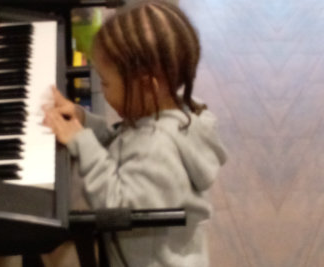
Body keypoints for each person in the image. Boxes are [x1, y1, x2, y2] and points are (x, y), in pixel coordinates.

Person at [43, 1, 227, 266]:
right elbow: (122, 143)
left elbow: (116, 205)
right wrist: (83, 120)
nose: (103, 91)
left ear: (145, 86)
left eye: (105, 82)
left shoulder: (158, 149)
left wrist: (80, 141)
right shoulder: (167, 111)